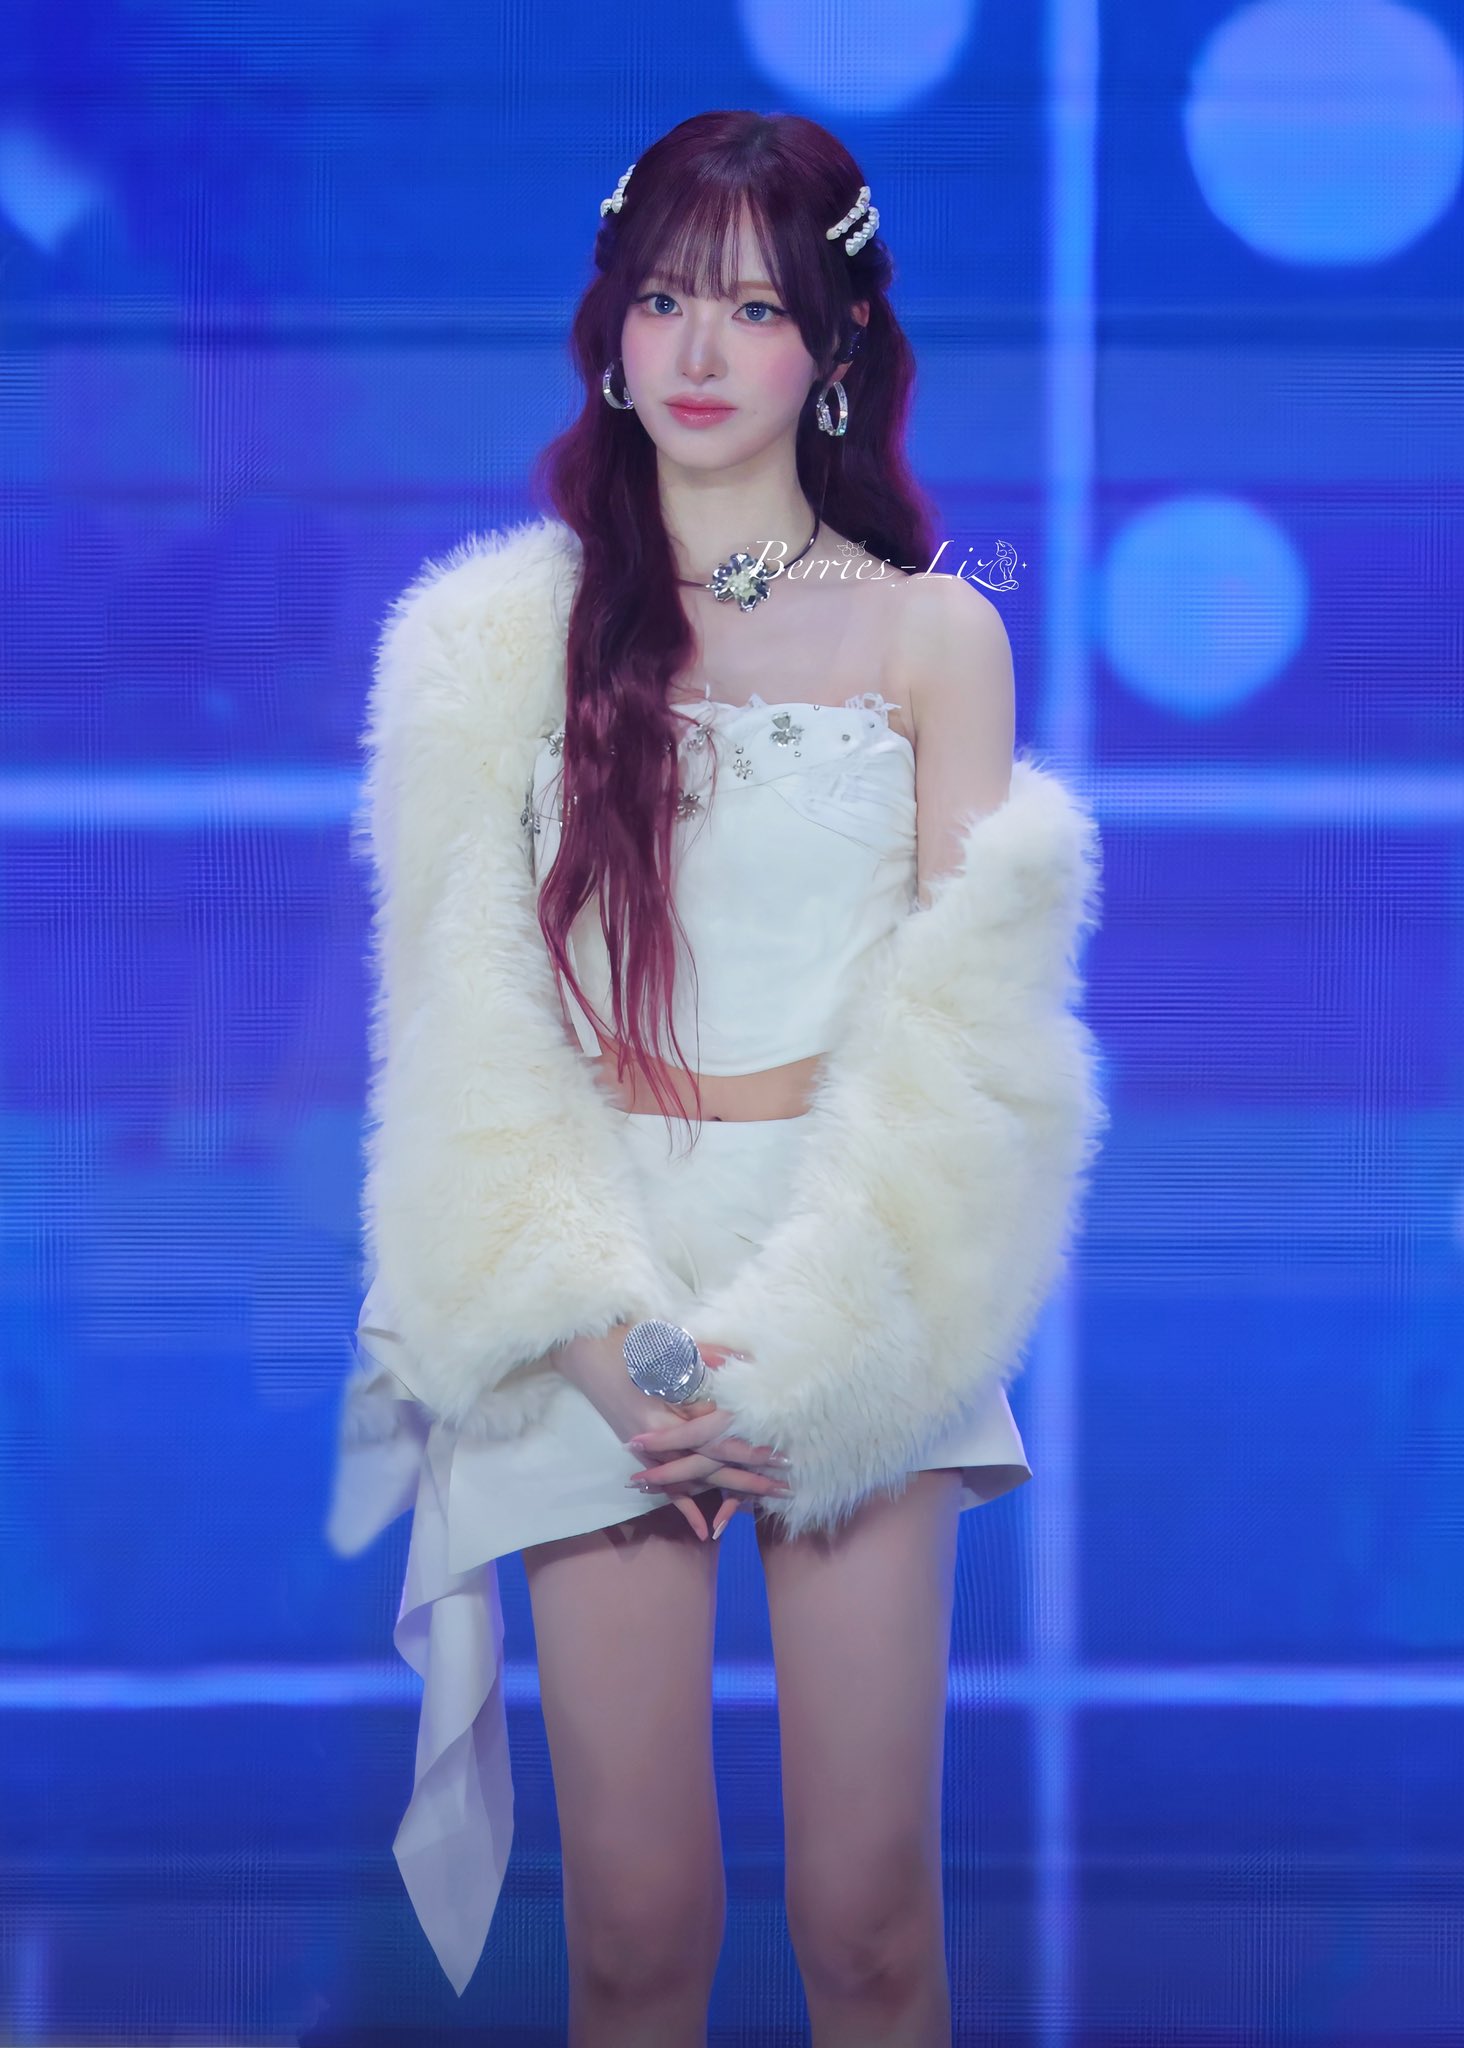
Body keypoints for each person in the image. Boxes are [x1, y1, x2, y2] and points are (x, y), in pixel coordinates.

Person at [325, 110, 1107, 2047]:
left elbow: (976, 1049)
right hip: (593, 1278)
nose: (698, 349)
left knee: (868, 1922)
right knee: (635, 1930)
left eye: (754, 307)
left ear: (833, 345)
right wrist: (604, 1339)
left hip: (862, 1278)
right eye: (665, 297)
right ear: (609, 330)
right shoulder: (492, 643)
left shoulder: (935, 632)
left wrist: (822, 1344)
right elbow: (457, 1041)